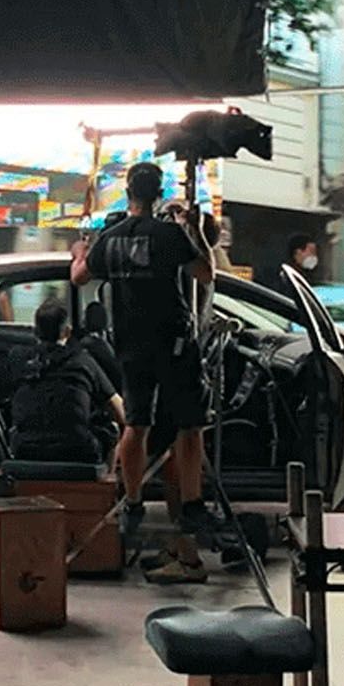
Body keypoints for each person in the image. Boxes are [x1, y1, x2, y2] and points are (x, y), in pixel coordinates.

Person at [71, 161, 216, 584]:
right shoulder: (169, 236)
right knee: (190, 426)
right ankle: (191, 503)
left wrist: (82, 249)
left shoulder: (109, 240)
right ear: (158, 194)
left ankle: (132, 500)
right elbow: (205, 274)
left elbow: (79, 277)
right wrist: (195, 232)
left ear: (128, 192)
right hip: (173, 345)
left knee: (136, 424)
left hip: (129, 347)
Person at [7, 303, 125, 464]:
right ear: (68, 332)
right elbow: (120, 412)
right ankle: (110, 484)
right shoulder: (83, 362)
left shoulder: (18, 360)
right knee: (113, 429)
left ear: (35, 332)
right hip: (79, 451)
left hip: (25, 449)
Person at [267, 233, 320, 304]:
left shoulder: (309, 275)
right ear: (298, 252)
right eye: (311, 251)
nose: (314, 256)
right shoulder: (283, 276)